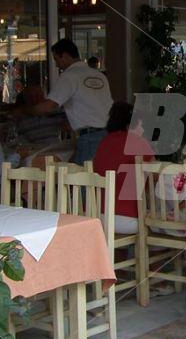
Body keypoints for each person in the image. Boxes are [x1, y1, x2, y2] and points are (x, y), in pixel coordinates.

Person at [31, 38, 112, 163]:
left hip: (89, 137)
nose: (56, 65)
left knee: (85, 174)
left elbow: (48, 106)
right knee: (101, 173)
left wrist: (25, 111)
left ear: (65, 56)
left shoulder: (69, 76)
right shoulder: (99, 75)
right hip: (108, 134)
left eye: (56, 59)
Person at [93, 101, 154, 234]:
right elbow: (154, 179)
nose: (143, 129)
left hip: (97, 216)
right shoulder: (139, 143)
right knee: (159, 221)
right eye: (141, 124)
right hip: (127, 218)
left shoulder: (103, 143)